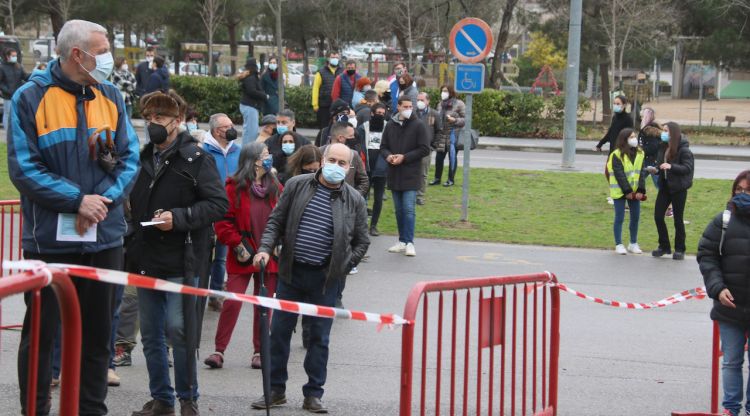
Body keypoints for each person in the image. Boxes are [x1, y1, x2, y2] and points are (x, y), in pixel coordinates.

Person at [7, 19, 140, 415]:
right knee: (41, 335)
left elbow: (130, 159)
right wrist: (77, 200)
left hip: (105, 238)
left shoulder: (112, 95)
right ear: (77, 55)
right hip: (50, 241)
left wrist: (101, 202)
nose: (108, 57)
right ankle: (36, 409)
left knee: (99, 336)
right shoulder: (28, 98)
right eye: (102, 49)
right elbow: (24, 168)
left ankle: (90, 409)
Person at [128, 91, 228, 416]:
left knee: (179, 332)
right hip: (146, 261)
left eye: (160, 117)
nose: (153, 123)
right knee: (152, 336)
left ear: (177, 121)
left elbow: (217, 204)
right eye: (149, 117)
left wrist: (179, 218)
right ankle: (161, 399)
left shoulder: (197, 158)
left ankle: (188, 399)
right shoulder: (142, 159)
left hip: (182, 262)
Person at [250, 142, 370, 413]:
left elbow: (362, 242)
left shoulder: (355, 200)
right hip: (292, 274)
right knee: (278, 334)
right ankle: (275, 390)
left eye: (342, 163)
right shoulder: (296, 185)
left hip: (326, 281)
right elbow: (276, 222)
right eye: (332, 160)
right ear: (322, 158)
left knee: (319, 339)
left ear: (349, 168)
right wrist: (265, 249)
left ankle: (313, 394)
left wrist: (341, 266)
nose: (336, 167)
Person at [204, 141, 282, 370]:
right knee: (232, 302)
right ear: (254, 159)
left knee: (263, 305)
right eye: (266, 154)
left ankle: (260, 351)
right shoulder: (234, 187)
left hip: (269, 254)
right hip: (242, 253)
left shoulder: (276, 186)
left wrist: (274, 246)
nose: (269, 158)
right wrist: (239, 245)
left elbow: (283, 217)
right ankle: (219, 350)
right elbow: (222, 221)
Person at [697, 170, 750, 416]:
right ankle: (731, 409)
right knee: (731, 361)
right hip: (729, 306)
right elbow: (707, 256)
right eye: (738, 190)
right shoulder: (723, 220)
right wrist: (718, 289)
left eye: (747, 190)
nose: (742, 195)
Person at [381, 96, 430, 257]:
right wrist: (388, 156)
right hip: (394, 173)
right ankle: (402, 240)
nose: (409, 109)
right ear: (399, 107)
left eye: (411, 106)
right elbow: (384, 147)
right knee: (399, 210)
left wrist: (405, 157)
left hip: (411, 173)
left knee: (409, 209)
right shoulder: (390, 125)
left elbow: (424, 149)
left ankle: (409, 242)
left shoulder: (418, 125)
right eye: (406, 106)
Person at [203, 113, 241, 312]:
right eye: (228, 126)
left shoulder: (238, 150)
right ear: (217, 131)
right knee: (205, 254)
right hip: (209, 209)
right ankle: (201, 291)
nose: (232, 129)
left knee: (221, 256)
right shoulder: (204, 151)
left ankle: (216, 292)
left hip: (230, 211)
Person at [651, 121, 694, 260]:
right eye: (663, 130)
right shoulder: (663, 147)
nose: (663, 133)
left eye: (666, 131)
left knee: (678, 219)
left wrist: (671, 166)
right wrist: (656, 170)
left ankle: (680, 249)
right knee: (658, 216)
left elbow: (687, 168)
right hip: (665, 187)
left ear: (673, 133)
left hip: (678, 188)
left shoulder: (684, 150)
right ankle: (664, 246)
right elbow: (660, 165)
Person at [607, 128, 647, 255]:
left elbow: (641, 173)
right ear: (624, 139)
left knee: (635, 217)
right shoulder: (616, 154)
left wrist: (641, 190)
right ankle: (618, 244)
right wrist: (627, 191)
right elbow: (619, 174)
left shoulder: (640, 153)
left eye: (634, 136)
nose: (634, 139)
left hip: (635, 191)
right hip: (620, 191)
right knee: (620, 217)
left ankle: (633, 243)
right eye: (631, 137)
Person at [360, 102, 389, 236]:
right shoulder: (363, 128)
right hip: (365, 168)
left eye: (383, 114)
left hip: (381, 169)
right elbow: (359, 146)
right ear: (372, 114)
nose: (380, 116)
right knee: (362, 197)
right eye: (378, 113)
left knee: (378, 198)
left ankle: (374, 226)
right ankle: (361, 225)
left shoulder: (388, 127)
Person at [320, 121, 369, 198]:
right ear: (340, 138)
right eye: (351, 136)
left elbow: (364, 181)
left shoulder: (354, 155)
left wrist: (353, 197)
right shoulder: (318, 152)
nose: (354, 138)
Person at [430, 84, 465, 187]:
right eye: (442, 90)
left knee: (452, 157)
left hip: (453, 135)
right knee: (439, 158)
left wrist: (455, 120)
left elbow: (466, 119)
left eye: (445, 91)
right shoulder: (440, 104)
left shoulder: (459, 104)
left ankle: (450, 179)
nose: (443, 93)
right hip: (441, 135)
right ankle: (437, 178)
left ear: (451, 92)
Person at [416, 92, 441, 205]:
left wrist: (433, 146)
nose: (419, 102)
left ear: (428, 101)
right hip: (412, 147)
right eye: (418, 100)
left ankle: (420, 195)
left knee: (423, 173)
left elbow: (439, 131)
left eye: (422, 100)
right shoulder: (413, 113)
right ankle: (410, 193)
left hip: (426, 148)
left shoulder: (434, 114)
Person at [239, 57, 266, 145]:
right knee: (251, 132)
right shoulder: (251, 78)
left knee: (249, 131)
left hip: (249, 106)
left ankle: (247, 150)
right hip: (250, 106)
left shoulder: (249, 77)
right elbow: (252, 91)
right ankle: (247, 151)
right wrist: (264, 95)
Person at [311, 51, 342, 129]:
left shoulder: (342, 71)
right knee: (324, 128)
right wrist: (315, 104)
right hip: (324, 105)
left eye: (336, 57)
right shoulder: (321, 72)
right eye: (332, 57)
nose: (335, 59)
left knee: (337, 129)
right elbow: (315, 88)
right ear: (328, 58)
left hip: (339, 106)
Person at [0, 48, 27, 129]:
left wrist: (36, 75)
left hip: (18, 95)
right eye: (13, 56)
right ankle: (7, 133)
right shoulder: (2, 67)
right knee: (7, 113)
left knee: (17, 114)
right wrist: (7, 90)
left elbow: (25, 76)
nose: (15, 57)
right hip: (7, 95)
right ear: (7, 56)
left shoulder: (19, 66)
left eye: (15, 56)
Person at [638, 107, 662, 189]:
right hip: (648, 160)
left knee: (660, 185)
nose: (641, 118)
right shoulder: (648, 129)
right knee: (636, 181)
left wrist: (640, 150)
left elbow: (653, 147)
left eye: (642, 116)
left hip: (651, 161)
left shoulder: (649, 131)